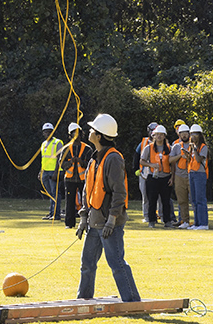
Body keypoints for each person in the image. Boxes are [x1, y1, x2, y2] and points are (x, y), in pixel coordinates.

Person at [74, 113, 141, 302]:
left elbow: (119, 193)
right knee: (87, 264)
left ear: (99, 136)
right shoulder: (94, 159)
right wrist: (84, 218)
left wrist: (112, 220)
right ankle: (84, 301)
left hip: (108, 224)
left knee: (117, 264)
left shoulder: (113, 159)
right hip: (94, 222)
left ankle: (132, 301)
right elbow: (88, 191)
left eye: (92, 130)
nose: (89, 131)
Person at [140, 125, 174, 228]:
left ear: (164, 136)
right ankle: (151, 221)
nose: (159, 136)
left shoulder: (169, 148)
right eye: (157, 134)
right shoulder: (148, 147)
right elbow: (142, 161)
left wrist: (172, 177)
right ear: (153, 136)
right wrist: (151, 165)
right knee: (152, 200)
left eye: (161, 134)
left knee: (166, 201)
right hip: (153, 177)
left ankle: (167, 221)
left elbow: (173, 164)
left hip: (166, 177)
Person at [58, 123, 89, 228]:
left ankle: (88, 222)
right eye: (74, 134)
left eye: (78, 133)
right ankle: (69, 223)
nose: (76, 136)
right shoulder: (66, 149)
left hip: (83, 179)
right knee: (69, 202)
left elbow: (91, 164)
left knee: (86, 202)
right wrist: (70, 162)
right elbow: (61, 164)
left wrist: (81, 162)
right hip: (69, 179)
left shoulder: (87, 149)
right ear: (70, 135)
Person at [167, 123, 196, 229]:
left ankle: (197, 221)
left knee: (194, 200)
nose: (184, 135)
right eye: (182, 133)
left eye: (186, 133)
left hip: (191, 175)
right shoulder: (176, 146)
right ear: (179, 135)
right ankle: (185, 221)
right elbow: (170, 160)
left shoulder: (194, 145)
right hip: (179, 176)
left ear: (189, 134)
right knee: (182, 200)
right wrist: (180, 155)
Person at [38, 123, 64, 220]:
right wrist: (41, 171)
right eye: (46, 132)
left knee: (55, 194)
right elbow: (43, 159)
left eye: (49, 132)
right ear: (43, 133)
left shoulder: (57, 142)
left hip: (54, 171)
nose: (47, 133)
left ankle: (56, 215)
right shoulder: (43, 144)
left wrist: (56, 172)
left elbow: (60, 158)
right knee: (50, 194)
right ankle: (51, 213)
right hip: (45, 172)